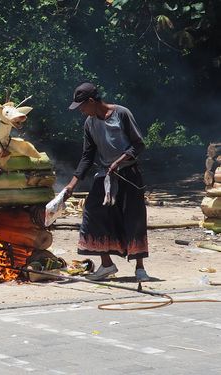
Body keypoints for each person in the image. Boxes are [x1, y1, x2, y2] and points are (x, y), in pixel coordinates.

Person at [64, 82, 150, 281]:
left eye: (83, 107)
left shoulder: (121, 114)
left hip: (128, 174)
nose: (81, 112)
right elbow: (87, 156)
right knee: (93, 214)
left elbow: (139, 145)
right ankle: (107, 264)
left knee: (134, 218)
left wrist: (118, 162)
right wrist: (72, 184)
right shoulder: (90, 123)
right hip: (105, 176)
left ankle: (139, 268)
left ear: (92, 101)